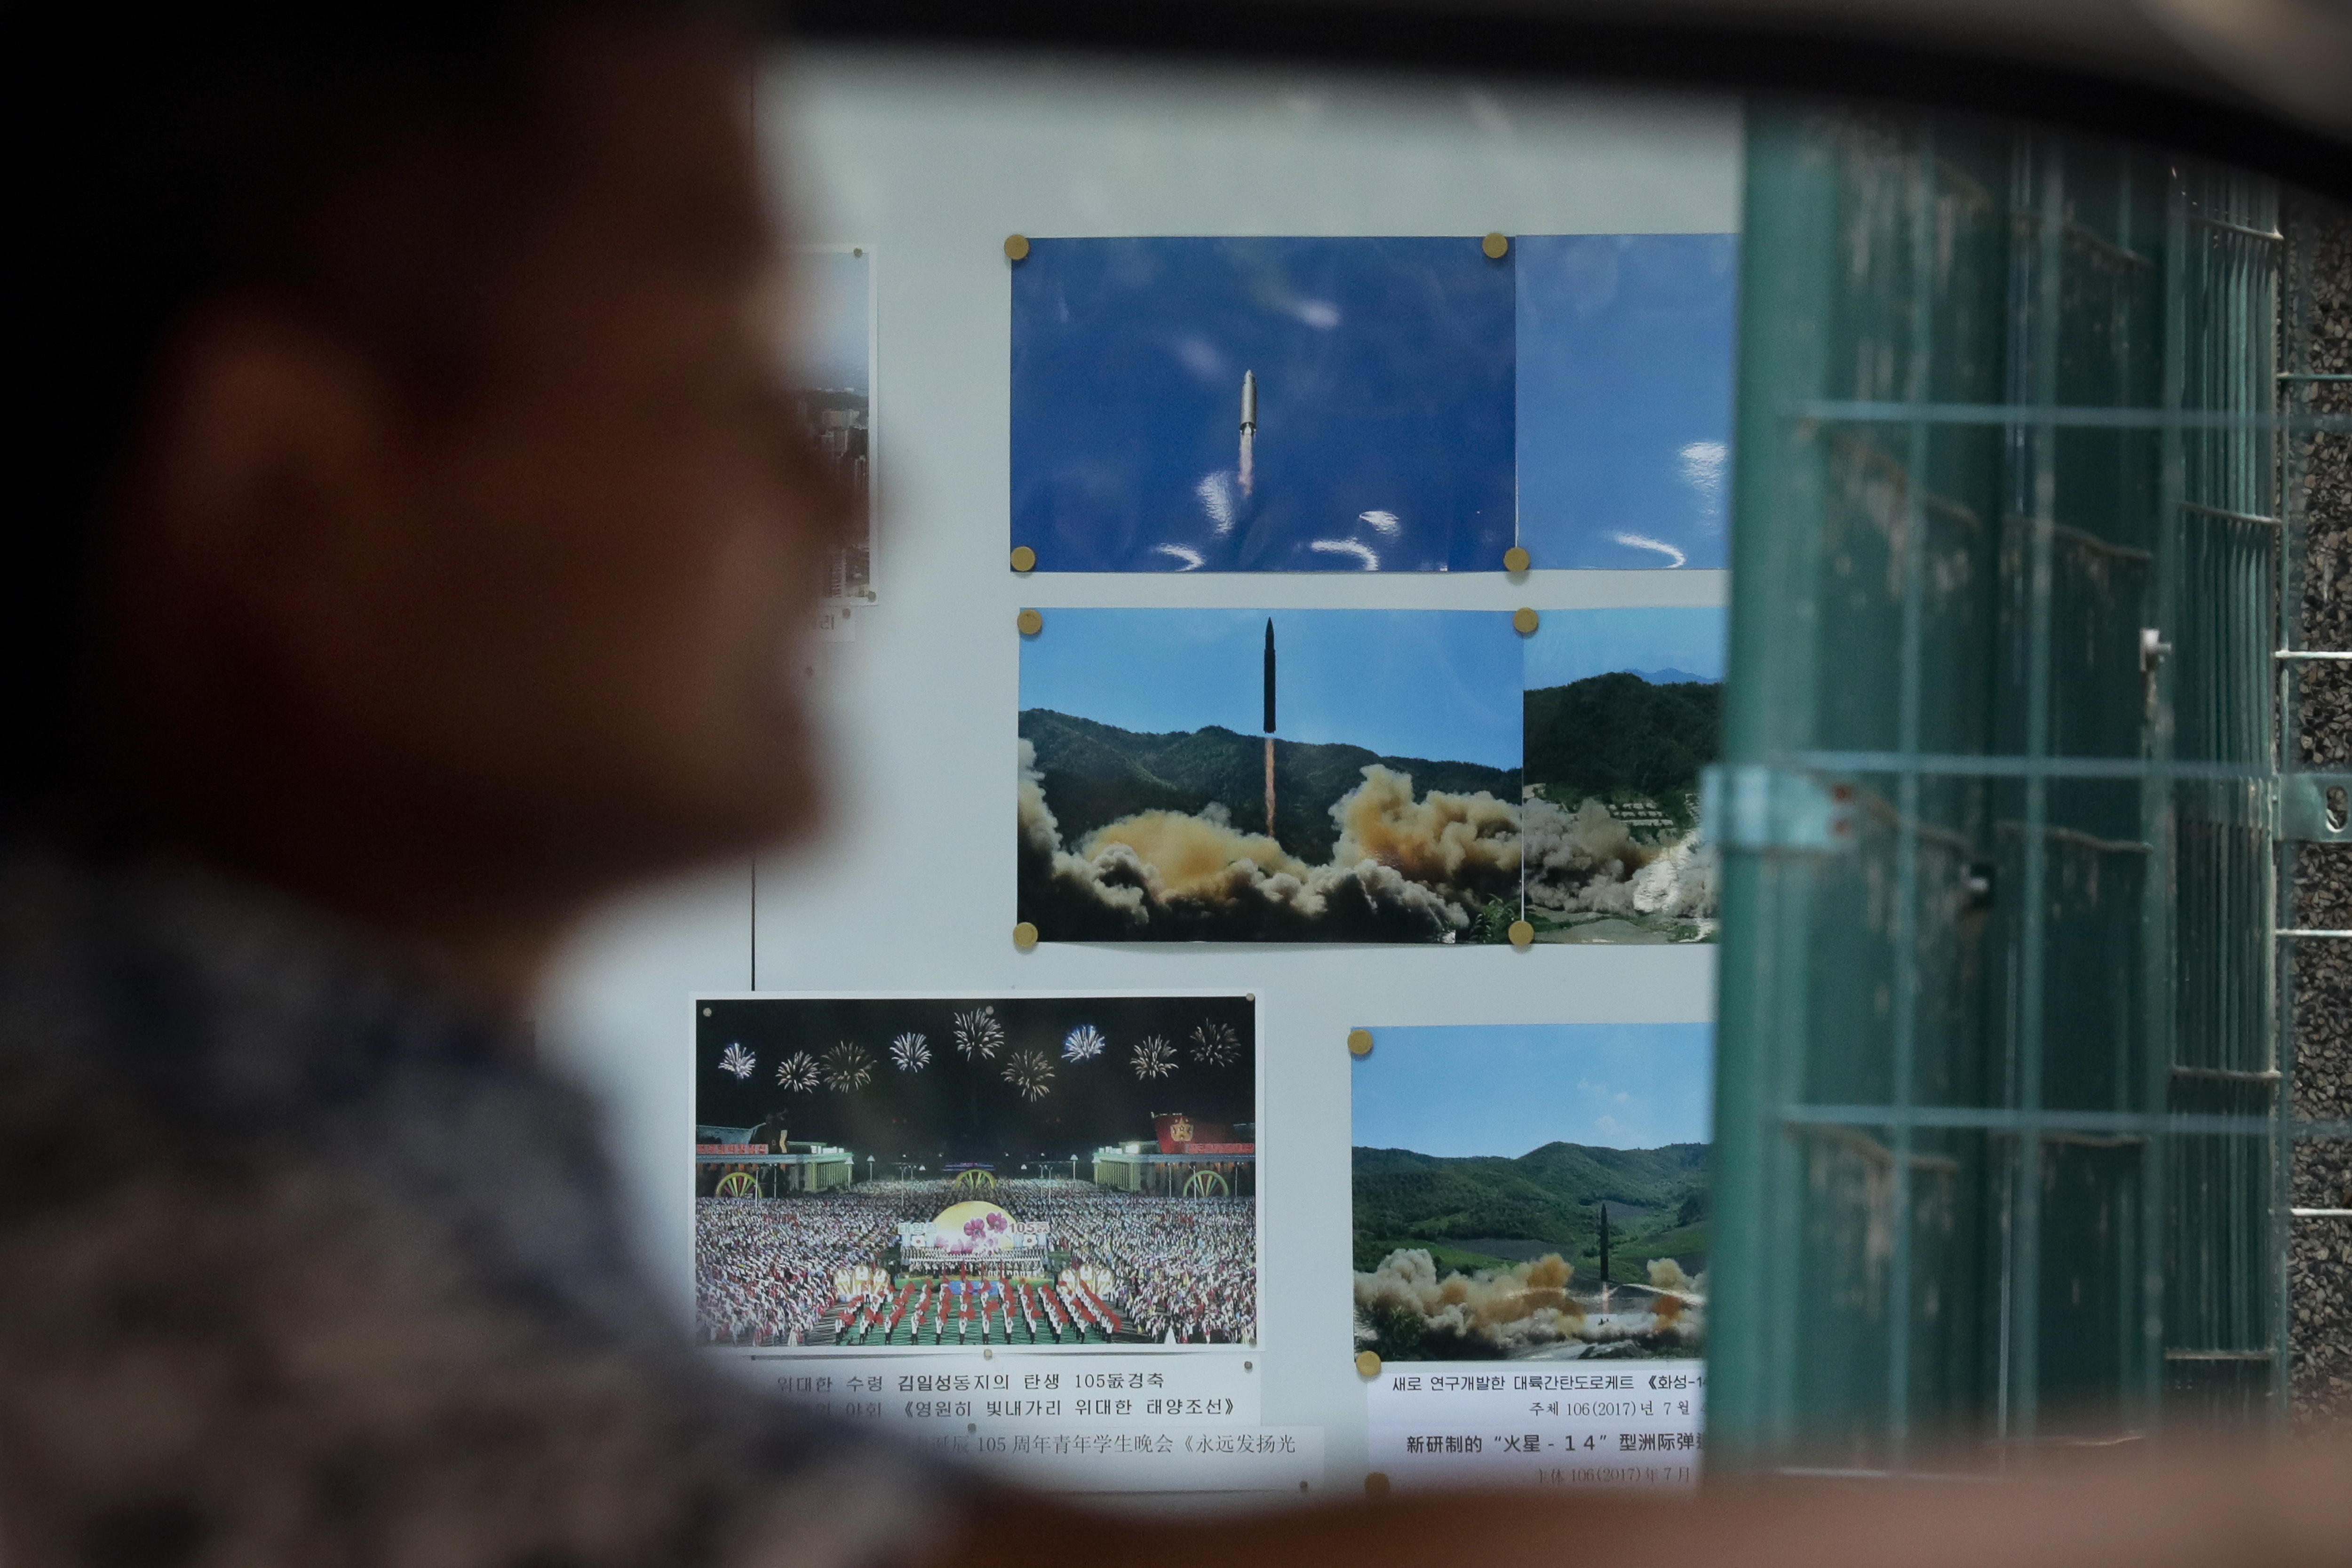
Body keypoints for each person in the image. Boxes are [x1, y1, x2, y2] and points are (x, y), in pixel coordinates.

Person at [8, 2, 2352, 1566]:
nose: (847, 517)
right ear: (280, 490)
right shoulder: (111, 1196)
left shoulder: (307, 1121)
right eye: (712, 383)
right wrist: (2265, 1511)